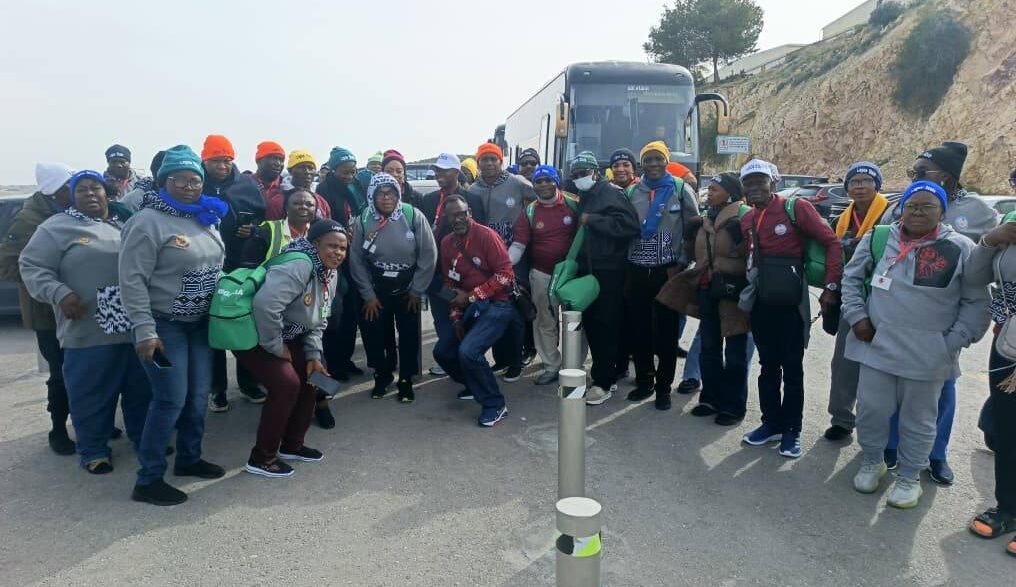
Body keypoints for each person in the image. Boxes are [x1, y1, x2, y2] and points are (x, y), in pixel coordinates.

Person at [842, 180, 988, 508]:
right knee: (871, 412)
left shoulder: (962, 247)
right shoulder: (879, 237)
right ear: (902, 208)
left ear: (942, 211)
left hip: (929, 356)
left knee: (919, 420)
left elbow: (977, 302)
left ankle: (909, 477)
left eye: (927, 206)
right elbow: (851, 279)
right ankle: (872, 462)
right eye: (912, 205)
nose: (918, 212)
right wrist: (857, 318)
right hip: (876, 347)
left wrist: (951, 342)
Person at [881, 142, 997, 484]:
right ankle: (889, 445)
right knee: (892, 382)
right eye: (912, 173)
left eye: (920, 173)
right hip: (901, 311)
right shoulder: (902, 204)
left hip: (945, 316)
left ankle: (936, 454)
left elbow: (985, 267)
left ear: (946, 177)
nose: (913, 179)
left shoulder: (977, 211)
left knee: (941, 387)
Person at [19, 170, 149, 474]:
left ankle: (145, 439)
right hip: (88, 327)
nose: (90, 194)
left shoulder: (125, 223)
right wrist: (59, 293)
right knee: (91, 392)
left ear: (107, 193)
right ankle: (94, 449)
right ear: (71, 196)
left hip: (132, 325)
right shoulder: (56, 228)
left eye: (95, 188)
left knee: (140, 388)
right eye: (82, 190)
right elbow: (31, 265)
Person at [119, 145, 228, 506]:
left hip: (199, 325)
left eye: (194, 179)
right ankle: (148, 479)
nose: (188, 185)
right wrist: (144, 329)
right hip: (164, 329)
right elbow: (131, 280)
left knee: (198, 397)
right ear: (164, 181)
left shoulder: (204, 217)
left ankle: (189, 458)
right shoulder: (147, 222)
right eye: (178, 179)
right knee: (170, 399)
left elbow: (214, 265)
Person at [738, 158, 842, 459]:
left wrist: (831, 287)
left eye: (760, 181)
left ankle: (791, 431)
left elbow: (832, 243)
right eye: (749, 182)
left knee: (792, 369)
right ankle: (770, 424)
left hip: (790, 303)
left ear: (774, 182)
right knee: (767, 367)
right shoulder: (746, 218)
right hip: (761, 302)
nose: (755, 187)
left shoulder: (796, 209)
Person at [239, 221, 347, 478]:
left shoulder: (329, 273)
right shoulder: (300, 264)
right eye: (332, 246)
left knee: (315, 378)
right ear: (316, 244)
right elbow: (266, 307)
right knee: (287, 384)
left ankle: (292, 446)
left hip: (291, 336)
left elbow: (319, 319)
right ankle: (261, 458)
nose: (338, 253)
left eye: (343, 248)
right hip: (257, 335)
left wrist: (313, 356)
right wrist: (276, 348)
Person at [0, 162, 76, 454]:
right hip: (47, 313)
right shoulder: (30, 220)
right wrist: (49, 281)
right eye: (68, 187)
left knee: (88, 371)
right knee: (61, 374)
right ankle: (58, 429)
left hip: (78, 309)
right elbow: (8, 265)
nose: (75, 191)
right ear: (54, 191)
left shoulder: (67, 211)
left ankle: (94, 421)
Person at [623, 141, 701, 410]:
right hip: (637, 270)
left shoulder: (680, 190)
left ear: (666, 162)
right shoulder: (633, 190)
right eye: (648, 160)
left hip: (668, 271)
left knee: (666, 333)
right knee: (639, 330)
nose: (653, 164)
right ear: (642, 164)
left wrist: (683, 262)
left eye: (658, 159)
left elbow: (693, 229)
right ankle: (644, 381)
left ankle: (663, 388)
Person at [350, 173, 437, 403]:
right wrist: (368, 295)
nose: (386, 197)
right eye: (380, 193)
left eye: (391, 192)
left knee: (408, 335)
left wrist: (417, 290)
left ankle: (406, 379)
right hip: (377, 289)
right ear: (372, 195)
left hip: (408, 288)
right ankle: (383, 374)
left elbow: (428, 255)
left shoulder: (412, 216)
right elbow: (356, 259)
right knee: (376, 334)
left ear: (398, 193)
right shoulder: (364, 219)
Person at [432, 195, 515, 427]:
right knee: (443, 351)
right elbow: (449, 281)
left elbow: (506, 274)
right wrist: (456, 314)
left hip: (497, 304)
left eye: (462, 213)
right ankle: (472, 383)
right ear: (447, 218)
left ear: (469, 212)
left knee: (469, 351)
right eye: (453, 215)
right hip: (467, 305)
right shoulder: (447, 242)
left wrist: (471, 296)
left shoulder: (487, 236)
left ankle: (495, 404)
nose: (458, 218)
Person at [565, 151, 640, 405]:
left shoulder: (609, 193)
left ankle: (603, 383)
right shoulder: (585, 195)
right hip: (590, 269)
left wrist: (593, 220)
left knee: (605, 325)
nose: (580, 178)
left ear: (596, 172)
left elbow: (629, 226)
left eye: (584, 173)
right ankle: (607, 373)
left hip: (608, 270)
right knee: (595, 325)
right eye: (575, 175)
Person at [824, 162, 892, 441]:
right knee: (844, 361)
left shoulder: (892, 214)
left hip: (886, 300)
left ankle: (878, 426)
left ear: (877, 185)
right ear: (847, 188)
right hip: (851, 296)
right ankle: (841, 418)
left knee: (882, 366)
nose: (860, 186)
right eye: (854, 182)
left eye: (867, 181)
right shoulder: (841, 218)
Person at [200, 134, 267, 410]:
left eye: (227, 160)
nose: (223, 166)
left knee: (242, 326)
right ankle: (217, 388)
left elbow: (263, 220)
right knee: (213, 331)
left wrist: (251, 229)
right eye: (216, 160)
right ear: (205, 161)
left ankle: (249, 383)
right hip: (205, 267)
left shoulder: (246, 186)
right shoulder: (195, 186)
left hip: (240, 266)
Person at [682, 173, 750, 425]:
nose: (709, 193)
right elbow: (695, 253)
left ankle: (732, 406)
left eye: (715, 189)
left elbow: (752, 256)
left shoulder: (744, 218)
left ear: (730, 193)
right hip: (708, 290)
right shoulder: (704, 220)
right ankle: (710, 398)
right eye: (709, 189)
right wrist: (690, 237)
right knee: (709, 348)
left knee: (735, 352)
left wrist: (740, 242)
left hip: (734, 292)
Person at [967, 216, 1016, 555]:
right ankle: (1008, 509)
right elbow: (974, 277)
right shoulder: (1011, 223)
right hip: (1009, 344)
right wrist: (989, 241)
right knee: (1008, 428)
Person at [467, 143, 535, 381]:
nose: (488, 164)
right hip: (487, 258)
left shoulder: (516, 183)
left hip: (515, 255)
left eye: (492, 159)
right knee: (496, 309)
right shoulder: (473, 190)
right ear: (478, 163)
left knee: (516, 307)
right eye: (483, 160)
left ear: (501, 161)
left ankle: (517, 361)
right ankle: (501, 359)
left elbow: (542, 196)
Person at [508, 165, 579, 386]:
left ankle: (573, 366)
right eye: (539, 181)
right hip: (541, 275)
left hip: (571, 276)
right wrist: (504, 265)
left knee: (574, 322)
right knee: (543, 322)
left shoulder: (573, 204)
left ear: (556, 181)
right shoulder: (529, 211)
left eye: (548, 180)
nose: (544, 185)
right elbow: (519, 245)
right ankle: (551, 365)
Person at [420, 153, 485, 376]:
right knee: (442, 319)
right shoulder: (428, 200)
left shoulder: (471, 199)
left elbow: (480, 236)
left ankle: (467, 360)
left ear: (456, 172)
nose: (439, 175)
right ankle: (449, 357)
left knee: (465, 318)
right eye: (437, 170)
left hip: (463, 273)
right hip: (436, 275)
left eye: (445, 170)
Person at [317, 147, 369, 382]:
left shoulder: (357, 186)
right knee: (334, 312)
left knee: (351, 313)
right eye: (345, 172)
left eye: (353, 171)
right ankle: (333, 363)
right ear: (334, 169)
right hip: (335, 257)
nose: (350, 176)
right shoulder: (324, 189)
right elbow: (324, 222)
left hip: (356, 255)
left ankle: (346, 359)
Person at [243, 189, 319, 265]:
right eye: (296, 203)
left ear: (315, 210)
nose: (303, 207)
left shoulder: (319, 233)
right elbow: (249, 265)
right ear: (286, 208)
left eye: (309, 205)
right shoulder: (266, 231)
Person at [264, 150, 331, 220]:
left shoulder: (322, 202)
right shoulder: (277, 202)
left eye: (310, 168)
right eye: (301, 167)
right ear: (290, 171)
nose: (307, 172)